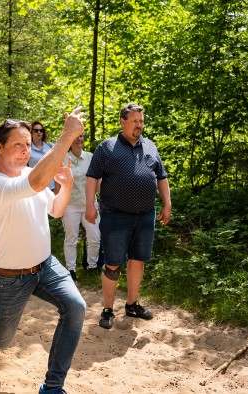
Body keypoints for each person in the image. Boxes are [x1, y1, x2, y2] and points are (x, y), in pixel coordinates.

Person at [0, 111, 86, 394]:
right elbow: (36, 185)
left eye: (28, 145)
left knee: (76, 307)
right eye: (18, 144)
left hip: (46, 266)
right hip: (9, 277)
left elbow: (55, 210)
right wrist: (67, 136)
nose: (25, 150)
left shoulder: (31, 173)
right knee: (1, 340)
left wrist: (65, 187)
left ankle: (53, 387)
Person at [85, 102, 171, 329]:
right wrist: (90, 205)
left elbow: (161, 177)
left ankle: (132, 305)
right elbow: (93, 177)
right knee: (113, 264)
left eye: (141, 121)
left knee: (138, 260)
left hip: (145, 216)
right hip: (115, 216)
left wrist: (167, 204)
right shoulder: (107, 147)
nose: (139, 125)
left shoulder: (150, 147)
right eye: (135, 121)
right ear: (123, 121)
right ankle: (107, 309)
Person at [54, 133, 100, 282]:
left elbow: (97, 180)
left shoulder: (90, 157)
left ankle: (92, 266)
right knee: (71, 239)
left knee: (95, 237)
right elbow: (57, 185)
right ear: (70, 140)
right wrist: (57, 206)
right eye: (76, 136)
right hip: (70, 206)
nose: (80, 139)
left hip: (90, 204)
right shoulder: (62, 159)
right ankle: (71, 270)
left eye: (82, 136)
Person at [28, 121, 55, 190]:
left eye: (41, 130)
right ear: (31, 133)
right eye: (36, 130)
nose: (39, 132)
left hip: (51, 188)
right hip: (34, 188)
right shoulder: (27, 149)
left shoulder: (51, 147)